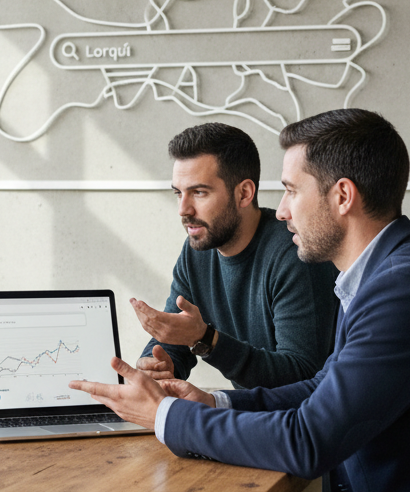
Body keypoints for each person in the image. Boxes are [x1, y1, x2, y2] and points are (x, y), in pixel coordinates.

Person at [71, 110, 410, 491]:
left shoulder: (405, 289)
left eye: (293, 191)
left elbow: (308, 440)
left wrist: (166, 416)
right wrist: (212, 403)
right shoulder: (387, 273)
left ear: (342, 196)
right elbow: (323, 385)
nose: (281, 210)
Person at [134, 123, 338, 389]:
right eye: (178, 193)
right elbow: (177, 335)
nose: (183, 209)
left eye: (199, 192)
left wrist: (207, 340)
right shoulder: (197, 250)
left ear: (244, 193)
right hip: (247, 417)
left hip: (296, 424)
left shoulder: (295, 253)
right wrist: (159, 364)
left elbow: (302, 375)